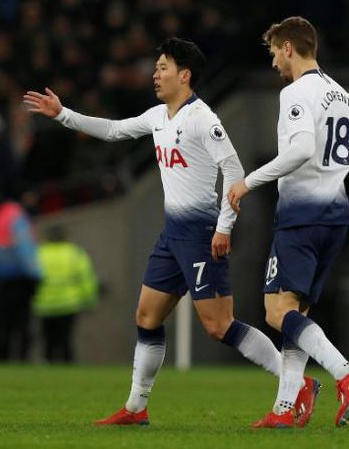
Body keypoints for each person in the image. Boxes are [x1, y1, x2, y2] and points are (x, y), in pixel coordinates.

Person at [23, 37, 312, 426]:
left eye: (163, 68)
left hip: (201, 233)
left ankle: (297, 384)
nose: (155, 75)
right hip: (172, 234)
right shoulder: (159, 116)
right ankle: (136, 407)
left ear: (185, 75)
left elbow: (235, 172)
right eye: (156, 68)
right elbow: (113, 130)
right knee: (146, 316)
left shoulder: (203, 119)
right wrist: (63, 114)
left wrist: (224, 227)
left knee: (218, 325)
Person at [228, 16, 349, 428]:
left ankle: (344, 373)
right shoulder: (341, 94)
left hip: (302, 215)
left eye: (273, 54)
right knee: (296, 312)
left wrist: (249, 181)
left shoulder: (297, 92)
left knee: (276, 311)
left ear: (288, 48)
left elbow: (300, 151)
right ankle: (284, 409)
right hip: (335, 214)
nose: (273, 65)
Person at [33, 225, 98, 363]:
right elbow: (86, 277)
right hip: (69, 303)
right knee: (66, 340)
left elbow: (31, 279)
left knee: (48, 341)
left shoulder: (39, 253)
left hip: (45, 304)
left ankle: (48, 371)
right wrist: (90, 299)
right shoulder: (74, 253)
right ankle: (69, 369)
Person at [0, 197, 42, 361]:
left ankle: (2, 357)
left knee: (5, 322)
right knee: (23, 323)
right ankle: (22, 358)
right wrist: (35, 274)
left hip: (3, 278)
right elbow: (24, 248)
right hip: (21, 278)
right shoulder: (17, 217)